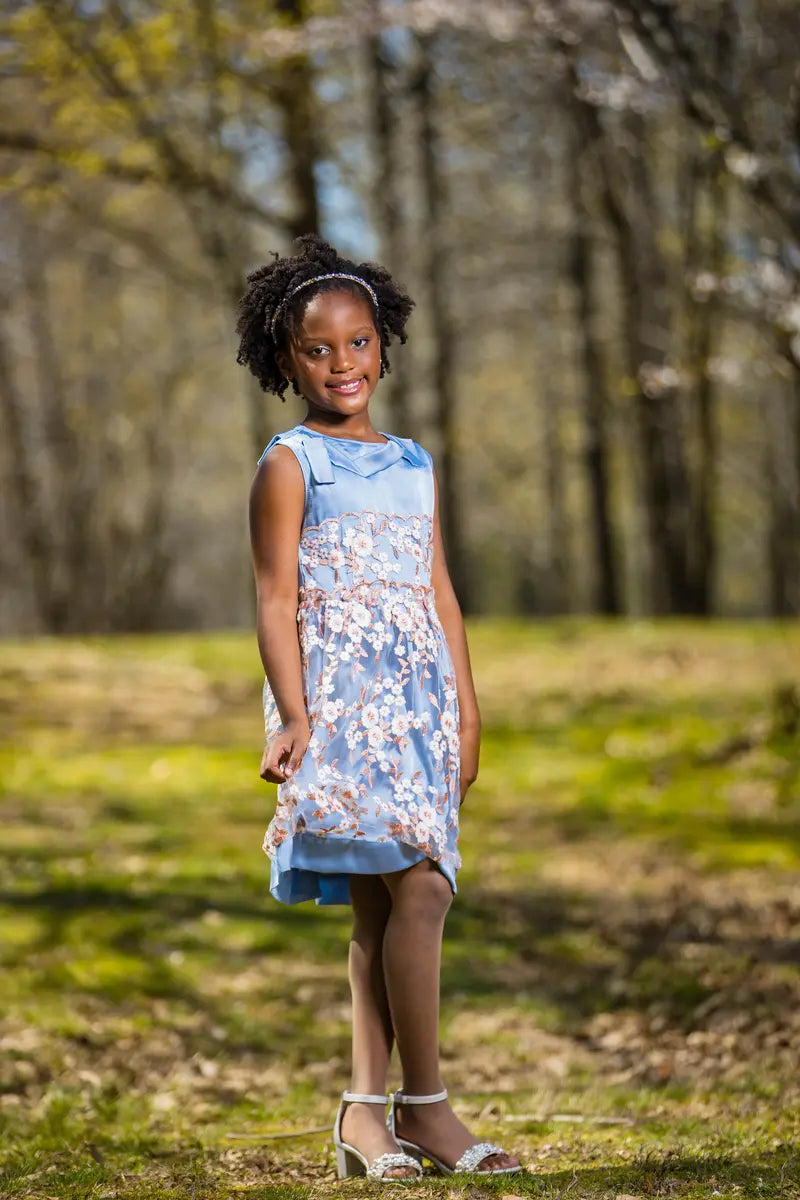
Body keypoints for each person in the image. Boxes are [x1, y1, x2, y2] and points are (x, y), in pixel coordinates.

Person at [236, 234, 520, 1181]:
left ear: (384, 346)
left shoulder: (415, 463)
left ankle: (366, 1113)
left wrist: (468, 714)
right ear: (287, 361)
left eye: (358, 344)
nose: (341, 364)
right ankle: (428, 1109)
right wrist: (293, 716)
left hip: (420, 704)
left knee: (387, 903)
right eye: (318, 350)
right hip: (339, 705)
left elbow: (441, 595)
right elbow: (276, 599)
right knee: (422, 886)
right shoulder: (290, 462)